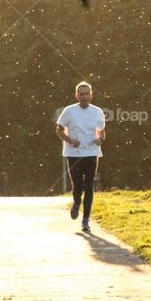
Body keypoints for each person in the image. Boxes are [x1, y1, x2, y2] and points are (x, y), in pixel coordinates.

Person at [56, 81, 105, 233]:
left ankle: (85, 220)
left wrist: (100, 139)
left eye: (87, 93)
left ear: (91, 94)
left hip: (91, 152)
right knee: (78, 185)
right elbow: (59, 129)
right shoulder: (69, 111)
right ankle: (77, 202)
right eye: (81, 94)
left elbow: (102, 131)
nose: (84, 97)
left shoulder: (97, 111)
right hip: (73, 154)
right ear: (77, 96)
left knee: (89, 185)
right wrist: (70, 141)